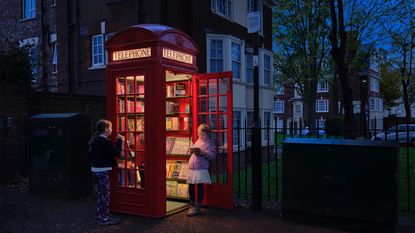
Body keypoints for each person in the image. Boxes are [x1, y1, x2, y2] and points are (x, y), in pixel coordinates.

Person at [89, 119, 122, 226]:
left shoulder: (95, 141)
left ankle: (99, 216)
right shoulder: (105, 142)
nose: (112, 129)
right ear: (106, 129)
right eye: (111, 127)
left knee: (99, 195)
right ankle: (105, 218)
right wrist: (119, 140)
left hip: (95, 170)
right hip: (102, 171)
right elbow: (116, 153)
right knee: (105, 196)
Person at [186, 124, 216, 217]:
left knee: (199, 186)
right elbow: (195, 152)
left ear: (207, 134)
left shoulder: (209, 143)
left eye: (202, 134)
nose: (200, 136)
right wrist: (192, 151)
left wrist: (203, 153)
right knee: (191, 186)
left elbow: (213, 156)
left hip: (201, 168)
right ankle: (192, 205)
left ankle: (198, 206)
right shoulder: (198, 141)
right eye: (199, 134)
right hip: (193, 167)